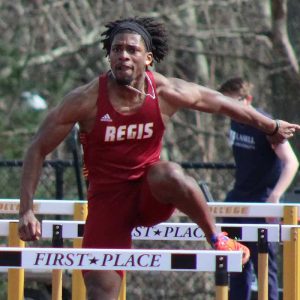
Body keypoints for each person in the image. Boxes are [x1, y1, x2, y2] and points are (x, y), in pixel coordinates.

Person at [18, 17, 300, 300]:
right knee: (99, 291)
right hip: (107, 204)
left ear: (148, 58)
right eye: (117, 50)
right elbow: (37, 148)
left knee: (170, 172)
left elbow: (222, 103)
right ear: (109, 56)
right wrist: (26, 210)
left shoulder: (164, 91)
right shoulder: (86, 99)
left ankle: (217, 238)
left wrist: (271, 126)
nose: (123, 56)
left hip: (149, 193)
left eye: (132, 50)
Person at [219, 77, 299, 300]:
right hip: (238, 197)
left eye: (234, 104)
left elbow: (292, 162)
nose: (230, 110)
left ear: (248, 100)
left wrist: (274, 197)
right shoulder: (234, 122)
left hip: (260, 200)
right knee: (235, 261)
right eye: (226, 106)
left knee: (263, 264)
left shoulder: (266, 124)